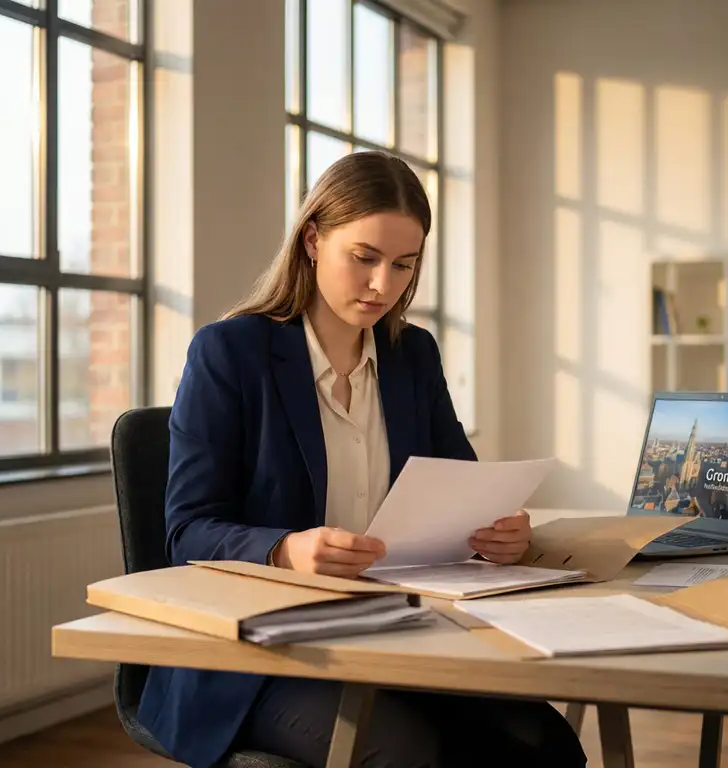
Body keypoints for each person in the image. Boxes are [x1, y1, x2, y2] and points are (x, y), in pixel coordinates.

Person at [137, 151, 587, 768]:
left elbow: (468, 488)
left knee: (545, 744)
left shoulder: (413, 357)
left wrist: (500, 532)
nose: (385, 285)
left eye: (404, 265)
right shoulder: (230, 353)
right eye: (365, 258)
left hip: (397, 628)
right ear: (314, 240)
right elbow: (186, 531)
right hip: (259, 652)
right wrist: (287, 549)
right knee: (404, 752)